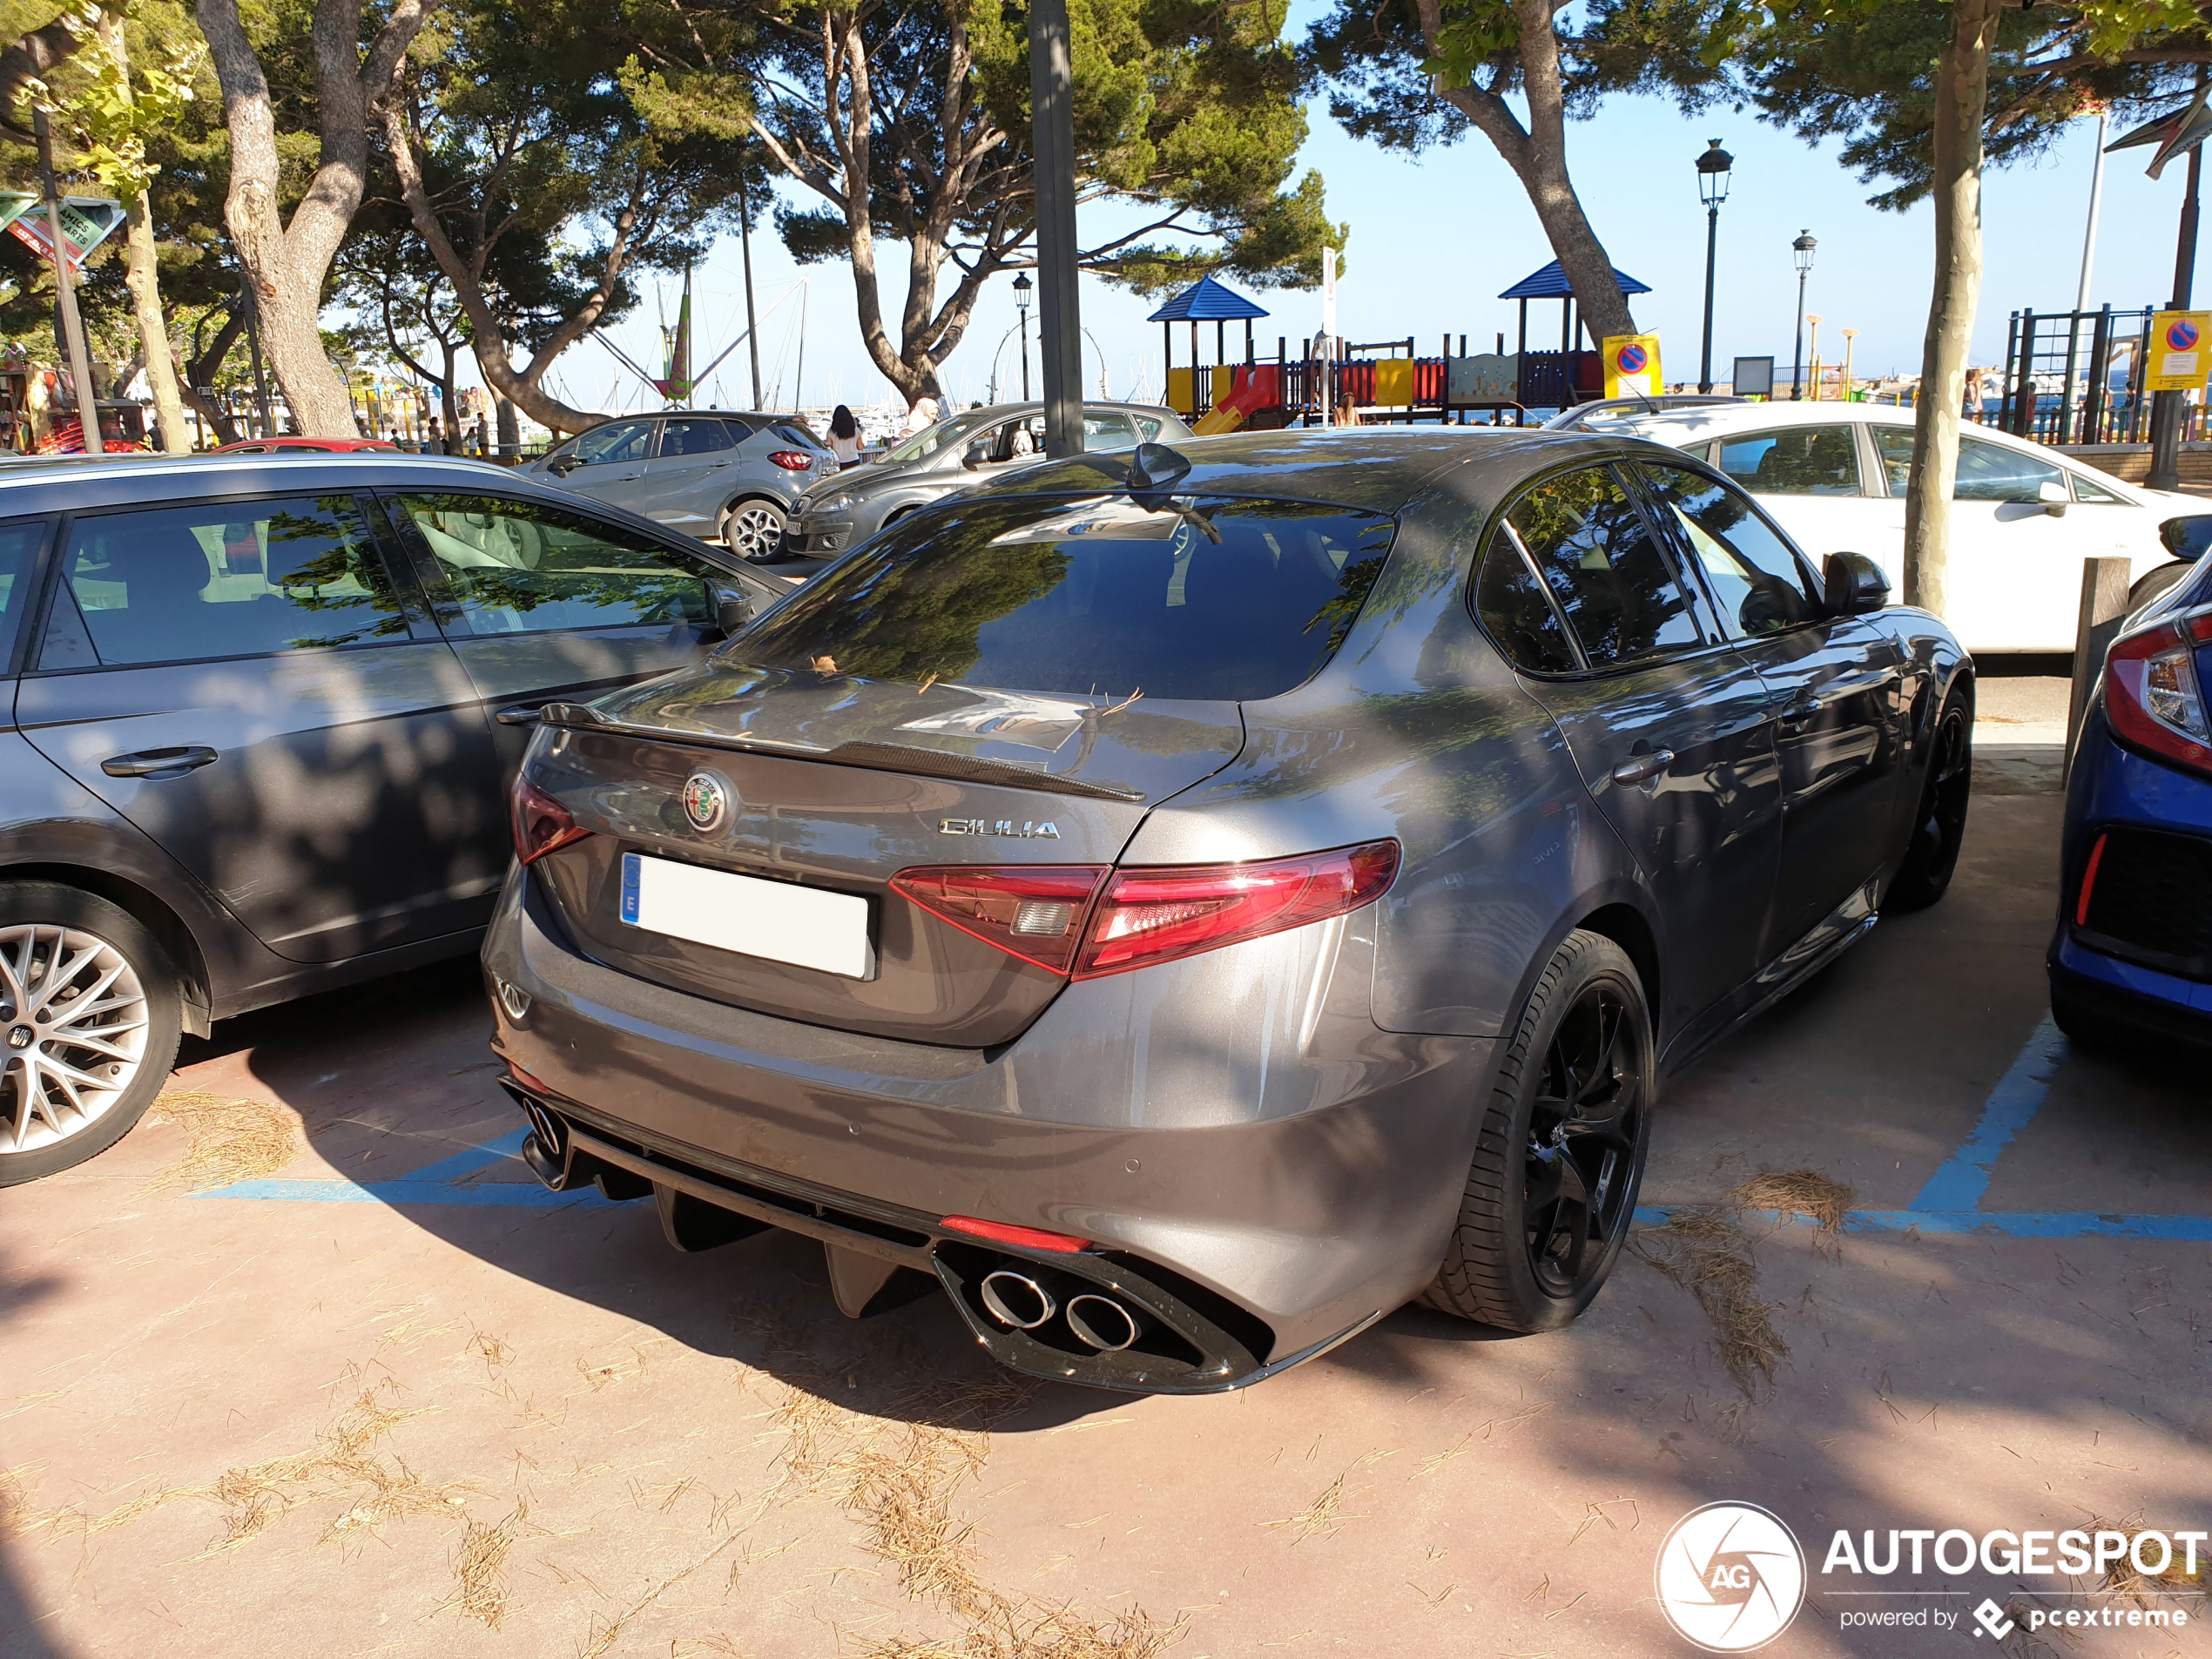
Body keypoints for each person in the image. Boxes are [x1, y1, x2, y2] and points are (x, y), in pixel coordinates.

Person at [827, 404, 860, 468]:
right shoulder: (855, 429)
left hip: (839, 461)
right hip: (854, 460)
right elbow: (860, 447)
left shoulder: (831, 431)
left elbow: (829, 448)